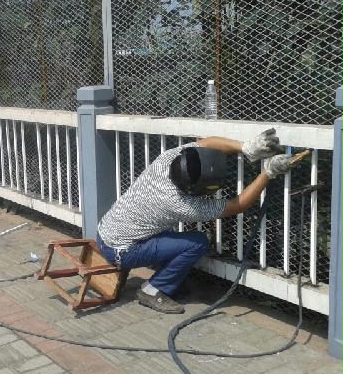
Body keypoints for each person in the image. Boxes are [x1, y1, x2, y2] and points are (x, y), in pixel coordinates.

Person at [96, 129, 302, 314]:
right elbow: (237, 206)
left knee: (173, 238)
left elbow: (206, 143)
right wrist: (268, 173)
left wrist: (246, 147)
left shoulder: (167, 159)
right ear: (191, 190)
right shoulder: (179, 203)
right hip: (122, 251)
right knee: (197, 242)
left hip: (105, 231)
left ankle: (170, 278)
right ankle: (153, 289)